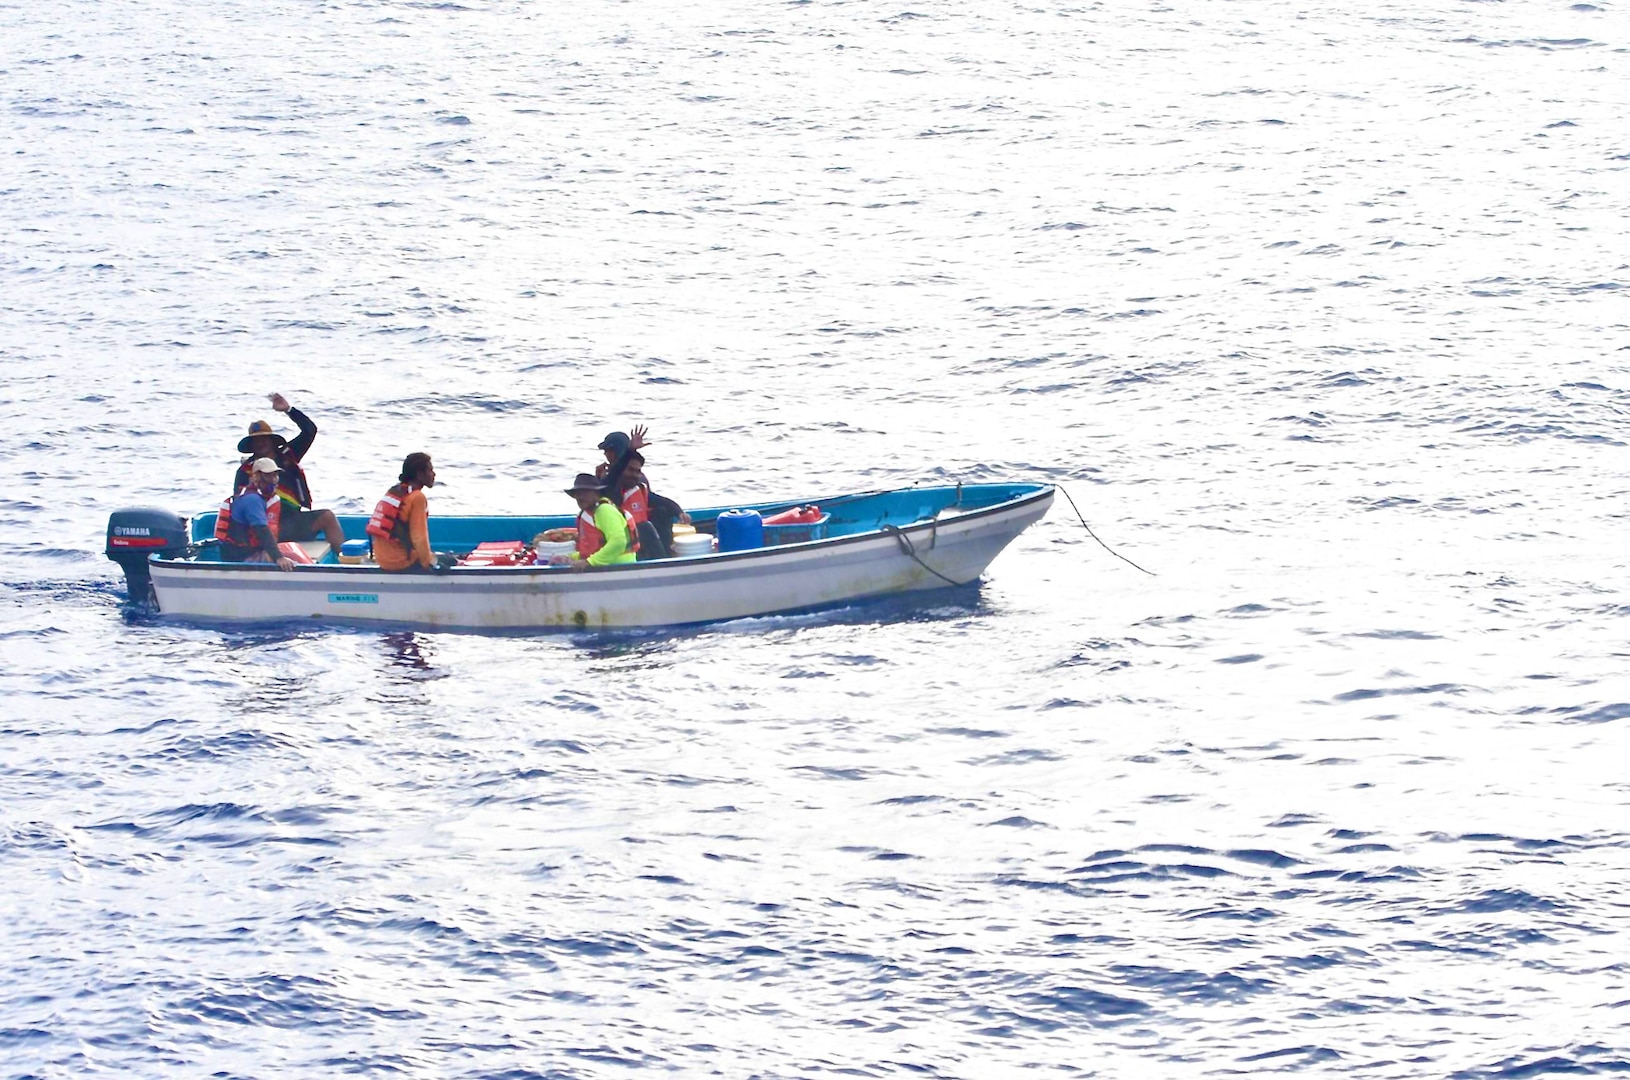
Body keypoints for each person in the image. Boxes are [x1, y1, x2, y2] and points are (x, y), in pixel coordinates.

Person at [231, 392, 345, 557]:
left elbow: (310, 430)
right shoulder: (244, 471)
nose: (260, 443)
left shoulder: (288, 456)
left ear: (271, 440)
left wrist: (288, 409)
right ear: (251, 445)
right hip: (265, 524)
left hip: (293, 519)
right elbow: (240, 504)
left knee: (327, 516)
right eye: (256, 440)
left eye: (264, 439)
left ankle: (346, 562)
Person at [595, 428, 688, 558]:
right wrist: (600, 481)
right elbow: (612, 481)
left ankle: (664, 558)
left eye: (608, 451)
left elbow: (655, 500)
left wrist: (679, 512)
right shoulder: (610, 481)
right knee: (645, 528)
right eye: (630, 470)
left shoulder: (635, 481)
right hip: (618, 535)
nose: (605, 454)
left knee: (660, 513)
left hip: (637, 538)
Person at [219, 458, 296, 570]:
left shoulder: (261, 497)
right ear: (256, 477)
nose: (273, 480)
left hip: (253, 551)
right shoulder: (252, 499)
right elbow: (262, 530)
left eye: (275, 476)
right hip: (241, 558)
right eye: (268, 476)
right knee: (290, 557)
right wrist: (279, 558)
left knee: (292, 549)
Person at [368, 453, 437, 572]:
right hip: (402, 562)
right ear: (420, 474)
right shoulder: (417, 498)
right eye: (430, 470)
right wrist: (430, 563)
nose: (434, 474)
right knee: (450, 560)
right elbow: (419, 538)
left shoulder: (395, 491)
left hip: (383, 560)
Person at [553, 473, 637, 571]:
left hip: (620, 568)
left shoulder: (605, 510)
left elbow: (618, 542)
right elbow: (592, 550)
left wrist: (590, 562)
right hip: (606, 566)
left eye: (585, 492)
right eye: (577, 494)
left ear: (596, 493)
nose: (580, 497)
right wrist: (570, 557)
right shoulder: (593, 513)